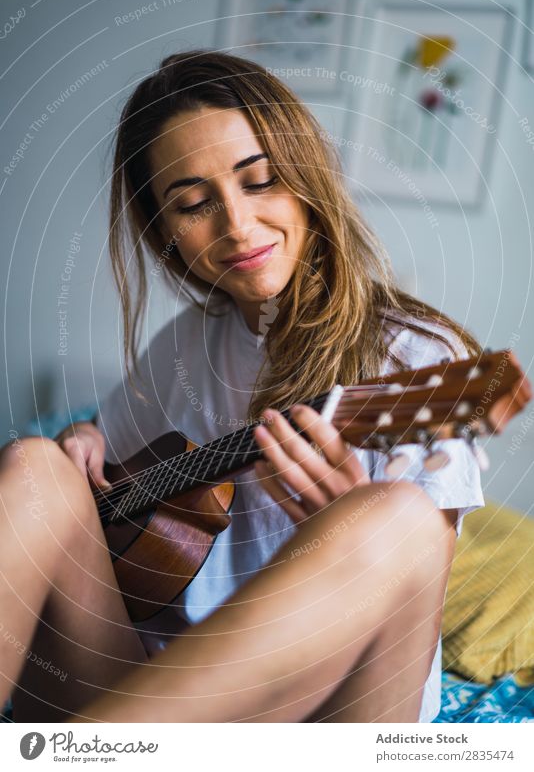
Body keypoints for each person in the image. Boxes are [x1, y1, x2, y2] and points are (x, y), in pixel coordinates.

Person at [5, 49, 484, 723]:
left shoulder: (418, 356)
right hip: (148, 682)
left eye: (259, 181)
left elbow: (411, 593)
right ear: (167, 234)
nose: (236, 225)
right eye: (194, 203)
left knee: (397, 517)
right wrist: (79, 441)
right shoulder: (181, 344)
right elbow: (97, 478)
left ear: (306, 180)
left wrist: (337, 527)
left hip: (331, 709)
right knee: (32, 464)